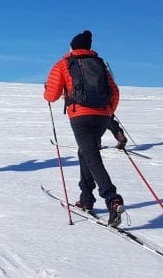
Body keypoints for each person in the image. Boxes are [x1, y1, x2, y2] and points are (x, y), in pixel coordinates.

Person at [43, 30, 125, 227]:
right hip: (102, 116)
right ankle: (86, 199)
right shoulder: (99, 64)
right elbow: (114, 91)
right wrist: (107, 112)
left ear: (72, 47)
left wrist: (47, 92)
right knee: (86, 153)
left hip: (80, 116)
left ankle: (112, 198)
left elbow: (52, 95)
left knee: (91, 157)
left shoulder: (64, 63)